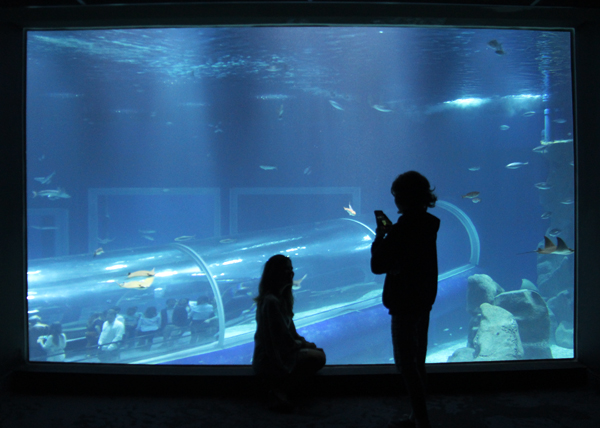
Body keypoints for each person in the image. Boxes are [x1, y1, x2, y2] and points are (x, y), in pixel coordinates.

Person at [370, 171, 440, 428]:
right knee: (418, 359)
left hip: (404, 303)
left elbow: (378, 265)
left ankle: (422, 420)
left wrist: (381, 237)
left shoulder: (402, 229)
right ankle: (417, 415)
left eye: (397, 195)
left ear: (403, 198)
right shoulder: (428, 224)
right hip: (423, 300)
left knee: (405, 363)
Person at [252, 254, 326, 411]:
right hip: (270, 359)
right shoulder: (271, 302)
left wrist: (305, 343)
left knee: (316, 352)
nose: (291, 273)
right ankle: (278, 389)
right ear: (274, 273)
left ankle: (281, 389)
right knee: (318, 357)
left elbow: (291, 333)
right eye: (285, 270)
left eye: (291, 269)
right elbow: (282, 341)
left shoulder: (280, 299)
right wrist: (303, 345)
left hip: (280, 352)